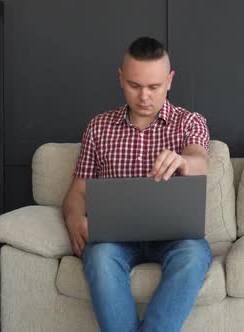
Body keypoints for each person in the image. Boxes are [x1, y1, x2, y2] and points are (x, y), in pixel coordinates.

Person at [62, 36, 212, 332]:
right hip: (114, 239)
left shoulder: (189, 122)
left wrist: (184, 163)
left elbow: (199, 161)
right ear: (121, 78)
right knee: (100, 257)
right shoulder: (98, 127)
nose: (144, 96)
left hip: (175, 237)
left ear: (169, 81)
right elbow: (77, 192)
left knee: (194, 254)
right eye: (134, 85)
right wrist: (74, 217)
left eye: (154, 87)